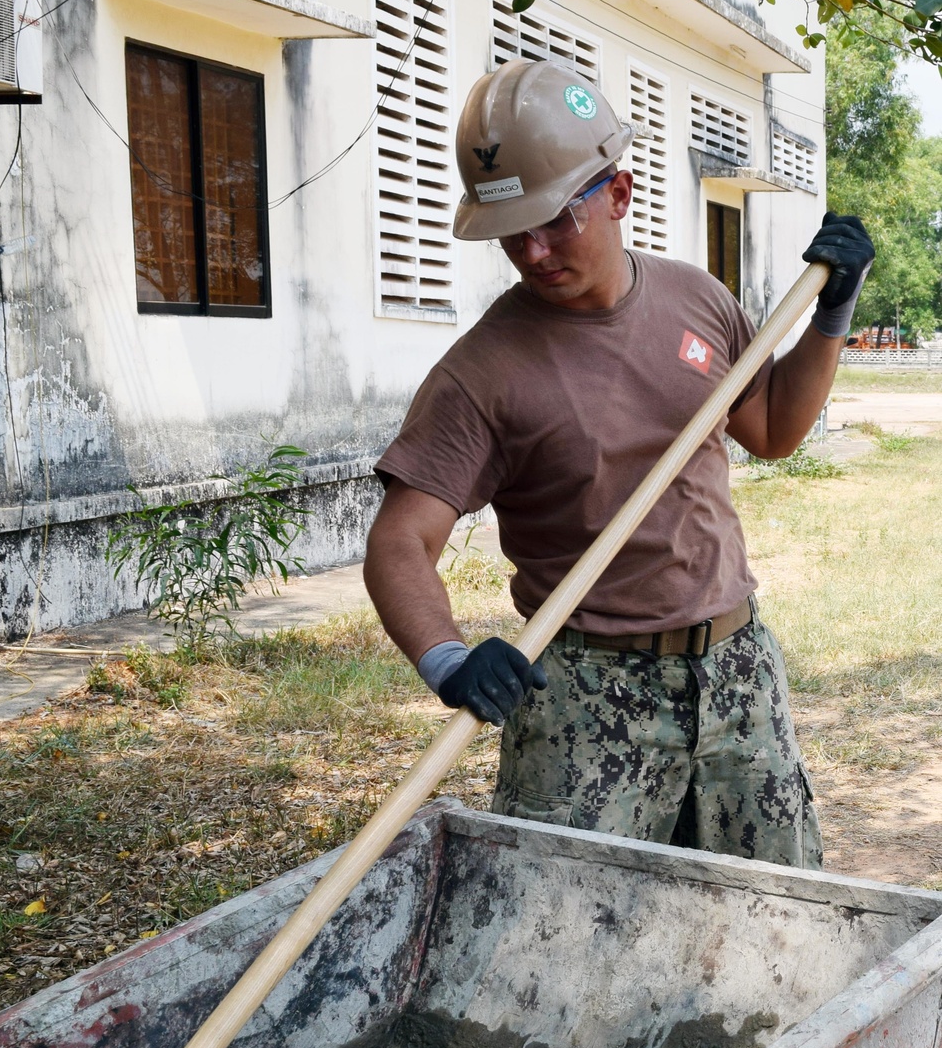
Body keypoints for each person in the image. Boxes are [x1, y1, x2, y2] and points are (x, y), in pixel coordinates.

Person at [363, 58, 873, 869]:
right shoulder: (482, 372)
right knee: (565, 940)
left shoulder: (695, 298)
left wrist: (833, 313)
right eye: (510, 233)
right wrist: (449, 659)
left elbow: (774, 428)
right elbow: (398, 542)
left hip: (737, 674)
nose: (532, 251)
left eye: (555, 220)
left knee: (773, 917)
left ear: (619, 195)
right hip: (585, 695)